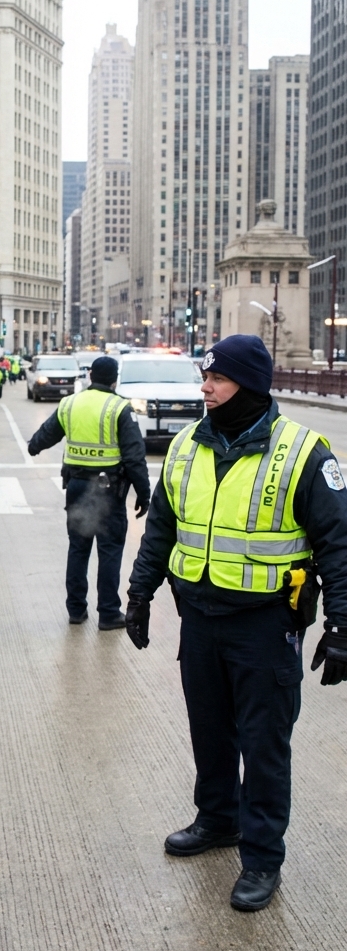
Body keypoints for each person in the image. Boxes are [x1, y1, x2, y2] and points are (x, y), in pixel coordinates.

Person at [126, 333, 347, 911]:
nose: (205, 388)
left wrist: (343, 626)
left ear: (247, 385)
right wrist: (140, 593)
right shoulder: (184, 448)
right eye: (206, 377)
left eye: (216, 379)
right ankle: (217, 819)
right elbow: (161, 530)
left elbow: (338, 547)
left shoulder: (304, 454)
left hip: (266, 626)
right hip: (199, 619)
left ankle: (261, 858)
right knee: (209, 729)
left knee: (264, 745)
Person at [27, 355, 150, 630]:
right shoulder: (119, 408)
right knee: (109, 551)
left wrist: (33, 446)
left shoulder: (70, 404)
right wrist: (144, 493)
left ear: (91, 375)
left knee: (78, 549)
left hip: (77, 487)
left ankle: (76, 611)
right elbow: (134, 457)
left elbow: (45, 435)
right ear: (114, 378)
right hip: (109, 491)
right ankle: (108, 613)